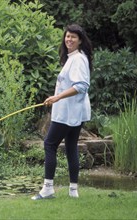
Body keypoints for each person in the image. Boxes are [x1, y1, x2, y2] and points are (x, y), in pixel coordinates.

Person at [31, 24, 93, 200]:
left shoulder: (78, 59)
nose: (69, 40)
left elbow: (81, 86)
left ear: (80, 40)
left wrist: (57, 97)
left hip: (68, 112)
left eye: (73, 37)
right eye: (67, 36)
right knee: (71, 147)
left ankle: (48, 189)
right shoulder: (74, 57)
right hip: (74, 112)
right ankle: (73, 191)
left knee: (49, 144)